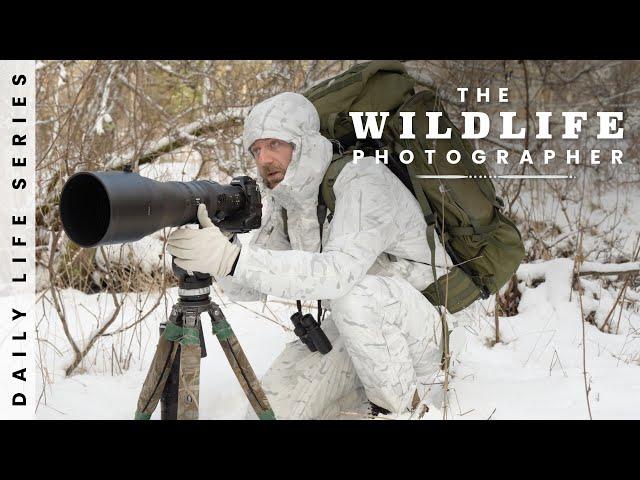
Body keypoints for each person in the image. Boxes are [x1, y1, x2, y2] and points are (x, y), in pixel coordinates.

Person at [167, 92, 449, 419]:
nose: (263, 159)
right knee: (270, 412)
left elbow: (337, 276)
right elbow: (246, 288)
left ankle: (404, 411)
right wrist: (223, 246)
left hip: (431, 326)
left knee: (355, 295)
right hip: (361, 334)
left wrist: (233, 259)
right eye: (256, 149)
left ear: (305, 143)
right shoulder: (287, 201)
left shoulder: (362, 180)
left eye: (274, 144)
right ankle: (365, 398)